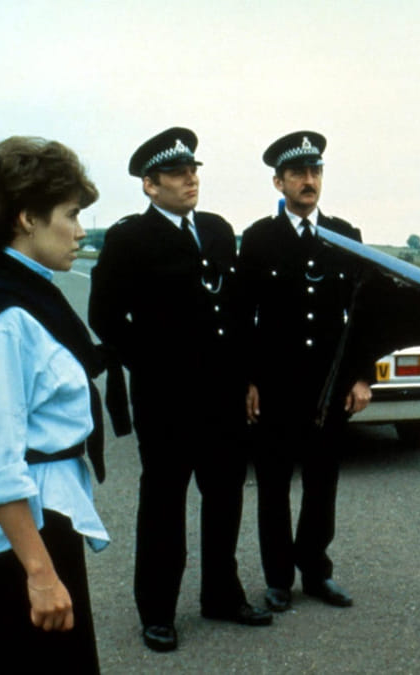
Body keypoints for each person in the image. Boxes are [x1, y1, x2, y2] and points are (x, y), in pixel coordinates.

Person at [88, 127, 271, 653]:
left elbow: (237, 310)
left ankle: (222, 595)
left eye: (193, 171)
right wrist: (152, 363)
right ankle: (158, 612)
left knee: (225, 498)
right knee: (164, 504)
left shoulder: (217, 230)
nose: (190, 180)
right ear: (150, 185)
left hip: (223, 396)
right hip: (167, 400)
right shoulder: (129, 239)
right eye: (176, 174)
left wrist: (249, 377)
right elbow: (105, 316)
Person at [0, 136, 115, 673]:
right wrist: (40, 575)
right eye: (71, 214)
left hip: (48, 519)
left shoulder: (26, 292)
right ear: (27, 218)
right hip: (28, 534)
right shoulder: (5, 317)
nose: (81, 231)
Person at [238, 131, 372, 613]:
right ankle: (278, 578)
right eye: (297, 173)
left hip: (328, 387)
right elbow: (241, 315)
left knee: (322, 483)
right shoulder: (258, 239)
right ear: (279, 182)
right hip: (275, 385)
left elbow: (363, 314)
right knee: (274, 485)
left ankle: (316, 571)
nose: (308, 180)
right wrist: (248, 380)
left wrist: (362, 377)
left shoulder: (345, 236)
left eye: (315, 171)